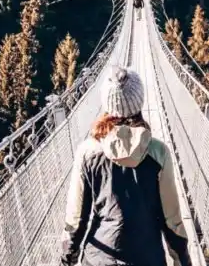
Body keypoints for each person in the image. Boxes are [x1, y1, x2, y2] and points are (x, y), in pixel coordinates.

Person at [61, 66, 192, 266]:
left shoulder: (87, 152)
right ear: (138, 101)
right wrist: (182, 261)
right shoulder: (158, 152)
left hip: (99, 258)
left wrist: (66, 259)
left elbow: (76, 219)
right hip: (147, 258)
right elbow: (171, 219)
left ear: (107, 103)